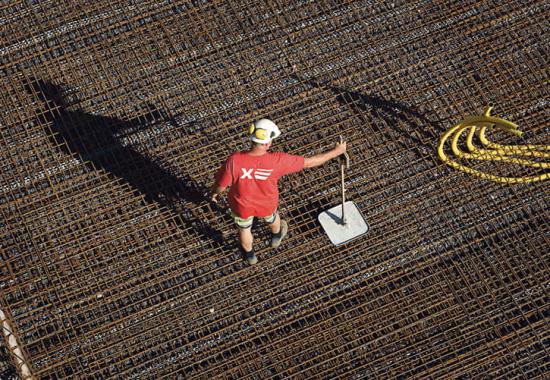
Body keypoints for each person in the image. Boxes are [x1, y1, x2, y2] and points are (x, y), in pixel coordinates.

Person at [211, 118, 347, 265]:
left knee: (244, 230)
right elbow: (309, 162)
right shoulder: (277, 160)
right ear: (267, 143)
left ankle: (250, 256)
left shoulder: (234, 160)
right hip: (267, 204)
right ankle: (276, 236)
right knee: (274, 218)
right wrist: (336, 151)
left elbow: (221, 185)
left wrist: (215, 193)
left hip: (241, 206)